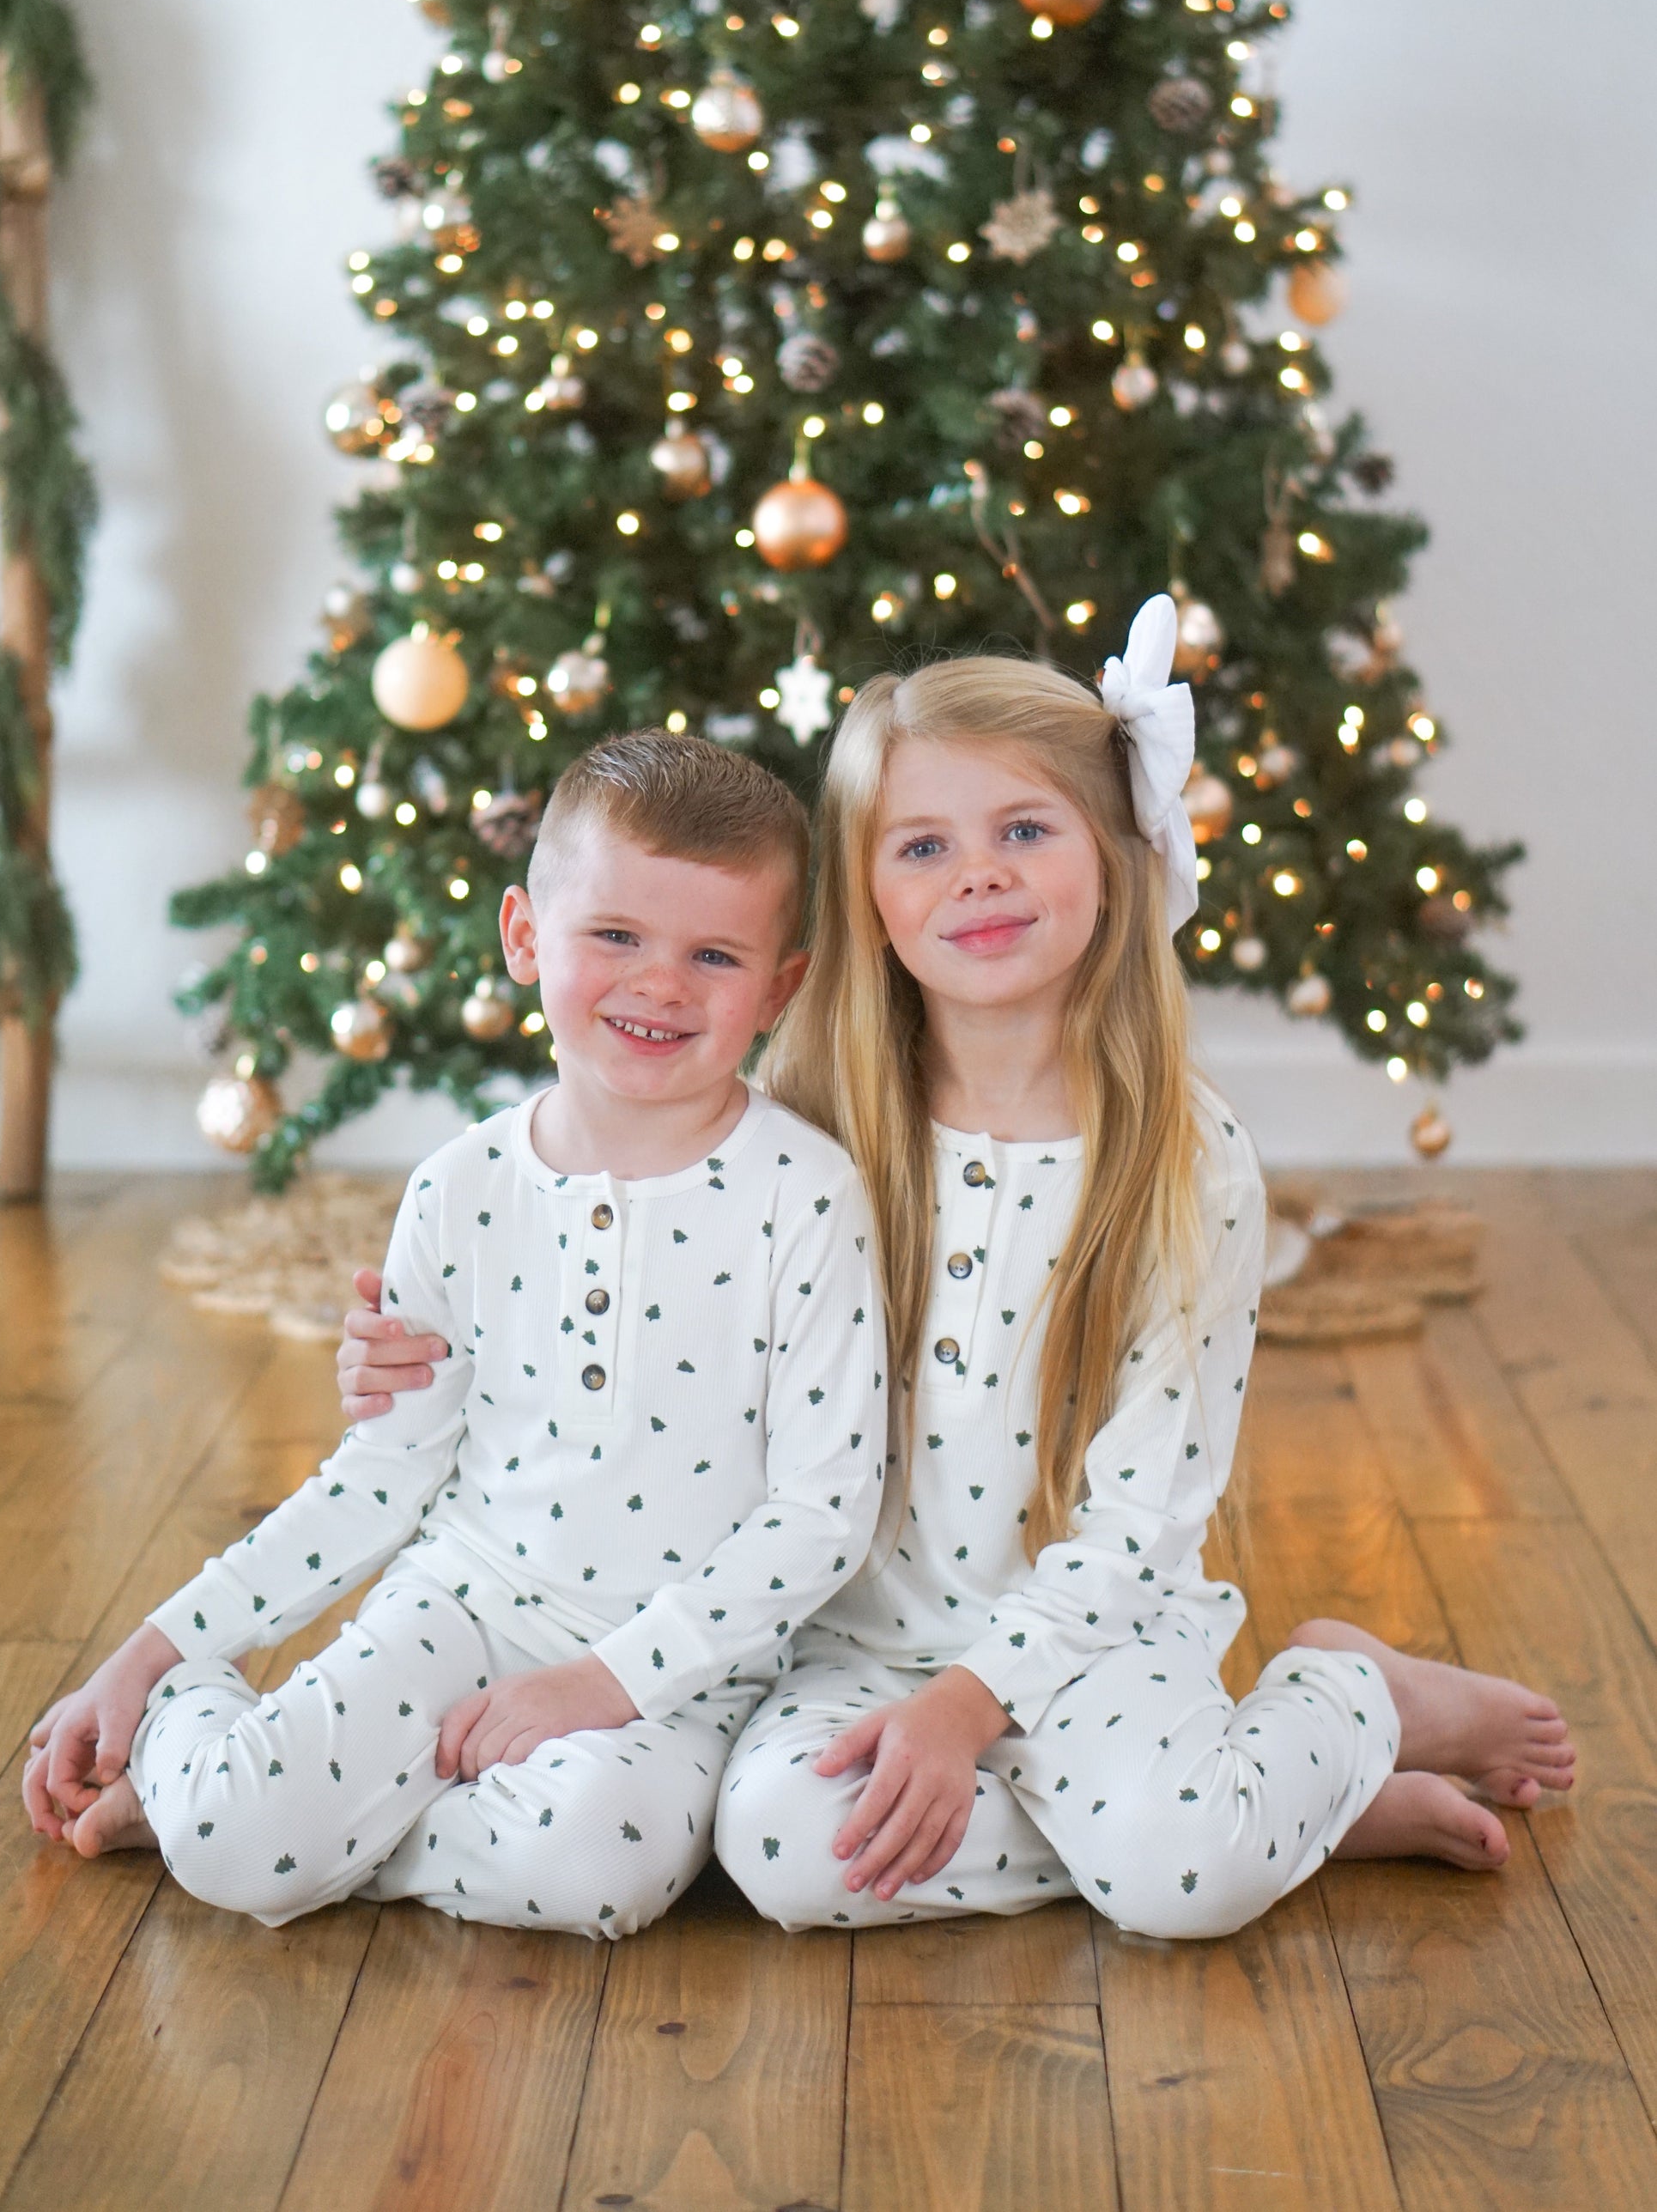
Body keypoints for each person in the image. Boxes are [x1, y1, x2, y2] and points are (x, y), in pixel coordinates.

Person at [333, 605, 1576, 1943]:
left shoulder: (1180, 1156)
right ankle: (1264, 1805)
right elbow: (637, 1331)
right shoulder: (799, 1118)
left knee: (1182, 1888)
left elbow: (1146, 1517)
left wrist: (968, 1707)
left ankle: (1344, 1700)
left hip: (1095, 1634)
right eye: (922, 846)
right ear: (865, 896)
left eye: (1023, 831)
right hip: (850, 1639)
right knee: (780, 1849)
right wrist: (428, 1364)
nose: (976, 876)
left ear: (1113, 858)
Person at [22, 732, 887, 1939]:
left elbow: (821, 1513)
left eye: (714, 956)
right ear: (525, 937)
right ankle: (205, 1773)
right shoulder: (460, 1188)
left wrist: (604, 1684)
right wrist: (155, 1654)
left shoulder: (807, 1195)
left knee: (597, 1868)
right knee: (232, 1846)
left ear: (780, 989)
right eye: (616, 936)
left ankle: (303, 1824)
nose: (661, 986)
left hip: (682, 1667)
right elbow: (383, 1473)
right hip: (463, 1605)